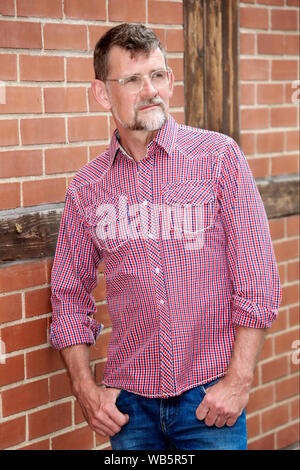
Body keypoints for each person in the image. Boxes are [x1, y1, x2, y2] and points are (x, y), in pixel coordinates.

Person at [50, 23, 281, 450]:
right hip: (129, 409)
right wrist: (84, 388)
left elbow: (258, 279)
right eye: (132, 79)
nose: (150, 90)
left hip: (210, 400)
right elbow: (68, 295)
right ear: (103, 93)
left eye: (157, 75)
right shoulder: (86, 187)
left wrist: (239, 380)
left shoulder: (218, 157)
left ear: (171, 81)